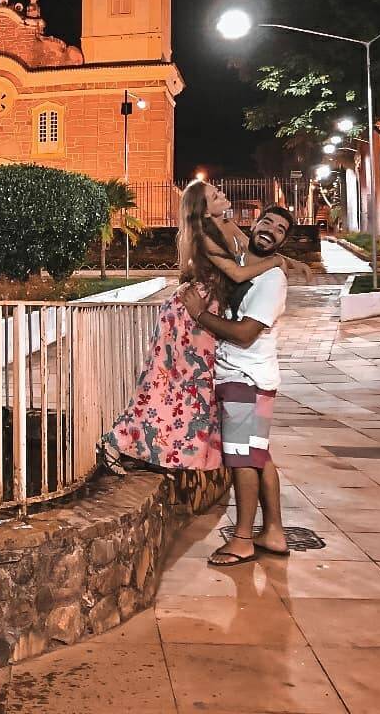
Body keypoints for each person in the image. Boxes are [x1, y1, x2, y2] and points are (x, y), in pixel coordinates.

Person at [100, 182, 310, 474]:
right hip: (189, 314)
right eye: (215, 196)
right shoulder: (204, 235)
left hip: (207, 310)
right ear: (204, 208)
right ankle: (116, 440)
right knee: (167, 385)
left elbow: (250, 254)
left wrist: (288, 260)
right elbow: (237, 272)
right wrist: (277, 261)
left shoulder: (227, 225)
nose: (223, 196)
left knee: (190, 391)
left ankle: (159, 451)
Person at [182, 205, 295, 566]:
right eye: (268, 222)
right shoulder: (249, 263)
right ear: (255, 223)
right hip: (245, 377)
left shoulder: (272, 279)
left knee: (243, 460)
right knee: (259, 455)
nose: (271, 230)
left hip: (246, 377)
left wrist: (199, 313)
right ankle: (273, 531)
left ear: (282, 241)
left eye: (280, 229)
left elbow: (246, 333)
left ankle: (243, 538)